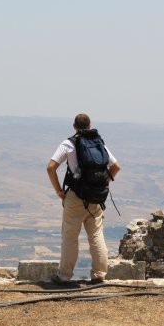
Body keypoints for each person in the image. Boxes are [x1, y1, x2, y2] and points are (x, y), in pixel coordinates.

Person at [46, 113, 121, 284]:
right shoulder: (98, 142)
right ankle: (99, 275)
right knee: (96, 236)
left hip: (75, 196)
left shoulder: (69, 143)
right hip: (96, 197)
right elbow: (116, 166)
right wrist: (104, 182)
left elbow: (51, 168)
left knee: (70, 237)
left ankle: (64, 276)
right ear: (89, 126)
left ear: (74, 126)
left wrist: (59, 191)